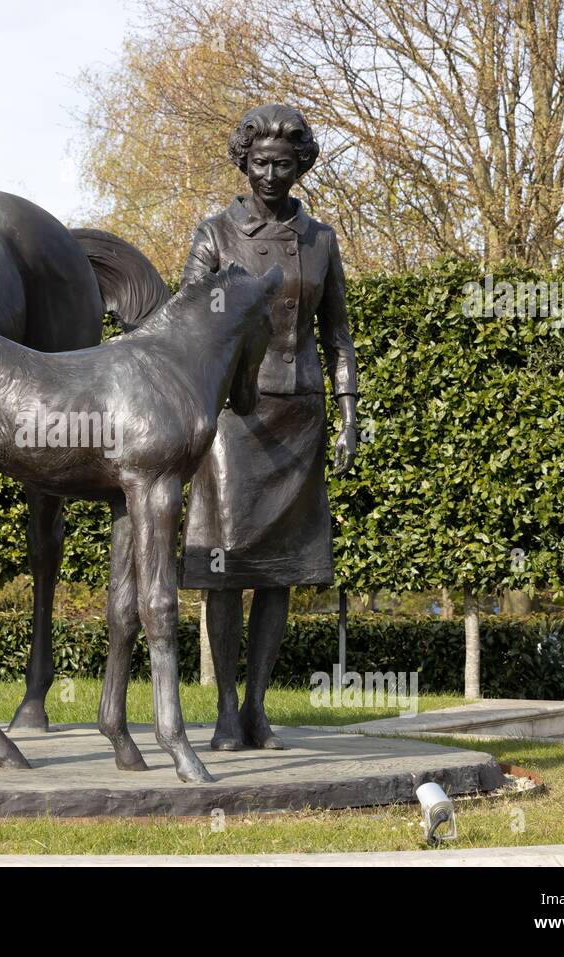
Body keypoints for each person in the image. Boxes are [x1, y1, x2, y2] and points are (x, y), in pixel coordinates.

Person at [179, 104, 359, 750]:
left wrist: (348, 413)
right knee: (226, 567)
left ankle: (258, 706)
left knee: (281, 569)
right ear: (243, 163)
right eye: (261, 164)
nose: (273, 176)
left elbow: (337, 334)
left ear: (302, 164)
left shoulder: (321, 240)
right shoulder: (215, 235)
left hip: (300, 413)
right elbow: (188, 322)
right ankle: (226, 708)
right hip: (233, 417)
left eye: (285, 164)